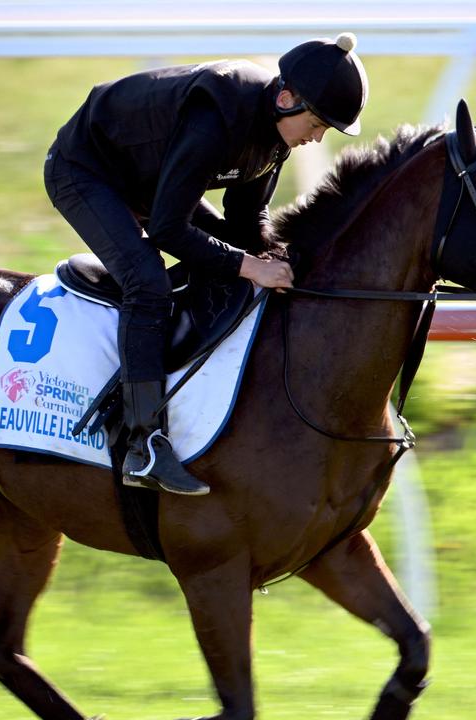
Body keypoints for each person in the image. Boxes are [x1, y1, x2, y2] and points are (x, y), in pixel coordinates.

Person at [44, 33, 368, 496]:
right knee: (147, 281)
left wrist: (279, 259)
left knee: (237, 258)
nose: (317, 138)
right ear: (285, 98)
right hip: (87, 170)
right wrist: (251, 268)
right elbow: (167, 230)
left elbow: (246, 222)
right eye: (317, 124)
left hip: (149, 179)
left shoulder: (278, 132)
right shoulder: (215, 118)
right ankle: (143, 444)